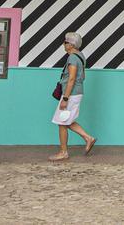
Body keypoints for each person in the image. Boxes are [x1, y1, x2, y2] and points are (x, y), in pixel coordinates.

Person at [49, 31, 96, 161]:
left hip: (71, 94)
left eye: (65, 42)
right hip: (76, 92)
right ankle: (88, 138)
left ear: (71, 44)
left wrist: (65, 98)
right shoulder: (80, 56)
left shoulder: (73, 58)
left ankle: (63, 152)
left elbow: (72, 78)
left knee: (61, 122)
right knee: (66, 121)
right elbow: (83, 76)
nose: (63, 44)